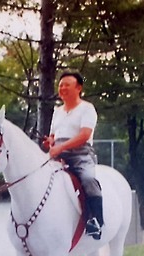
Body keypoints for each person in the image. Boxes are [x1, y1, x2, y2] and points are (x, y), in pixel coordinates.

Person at [45, 71, 103, 239]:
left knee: (88, 179)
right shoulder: (57, 111)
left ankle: (96, 221)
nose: (62, 88)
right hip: (58, 153)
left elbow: (84, 135)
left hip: (80, 154)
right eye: (60, 85)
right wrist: (50, 141)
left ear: (78, 88)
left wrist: (60, 146)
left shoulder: (87, 108)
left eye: (67, 85)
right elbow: (54, 135)